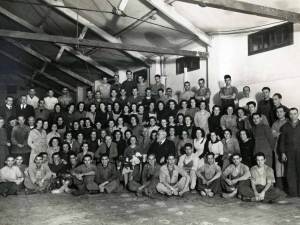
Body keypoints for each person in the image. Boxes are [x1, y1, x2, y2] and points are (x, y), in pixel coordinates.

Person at [279, 108, 300, 198]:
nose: (292, 116)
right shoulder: (285, 126)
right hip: (289, 151)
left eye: (294, 114)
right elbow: (282, 141)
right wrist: (283, 153)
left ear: (298, 114)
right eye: (290, 114)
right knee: (290, 172)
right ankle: (292, 192)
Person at [271, 106, 288, 190]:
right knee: (278, 166)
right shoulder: (275, 124)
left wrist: (279, 133)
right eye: (277, 112)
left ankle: (288, 186)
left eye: (281, 112)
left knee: (287, 166)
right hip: (277, 146)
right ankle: (279, 186)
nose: (279, 113)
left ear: (284, 112)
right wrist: (280, 134)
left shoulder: (288, 122)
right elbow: (273, 134)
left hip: (288, 146)